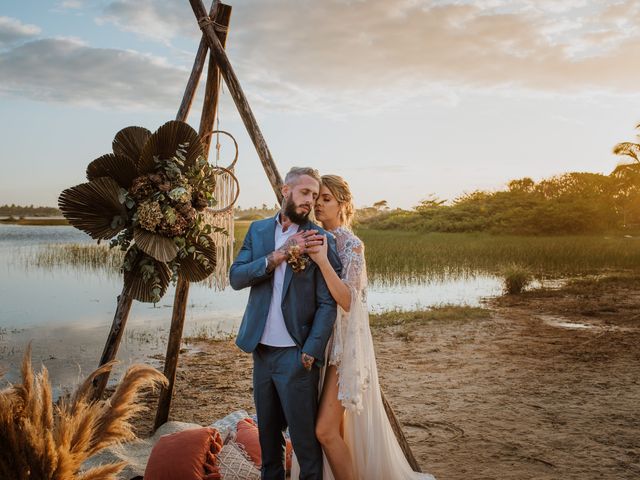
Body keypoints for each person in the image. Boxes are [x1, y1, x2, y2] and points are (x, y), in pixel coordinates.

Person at [294, 175, 436, 480]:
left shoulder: (351, 245)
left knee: (325, 430)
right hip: (316, 341)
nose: (318, 204)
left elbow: (348, 300)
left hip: (344, 345)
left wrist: (322, 262)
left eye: (327, 199)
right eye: (317, 198)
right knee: (329, 428)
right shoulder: (310, 237)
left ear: (343, 204)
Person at [230, 167, 342, 480]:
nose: (310, 201)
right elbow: (236, 277)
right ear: (285, 191)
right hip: (261, 352)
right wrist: (276, 257)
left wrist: (311, 351)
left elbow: (326, 303)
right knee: (268, 441)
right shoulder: (258, 231)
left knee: (306, 447)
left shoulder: (321, 239)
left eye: (315, 195)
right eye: (305, 192)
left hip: (297, 356)